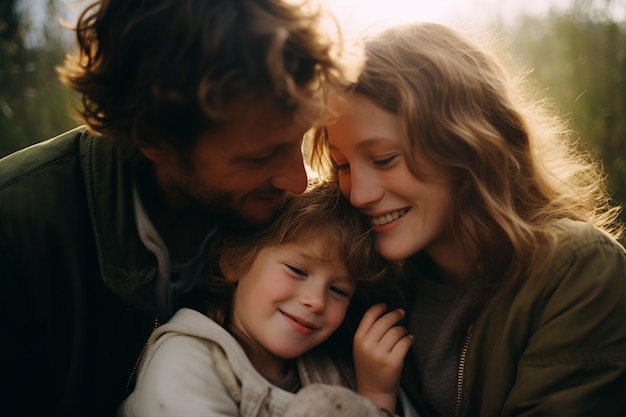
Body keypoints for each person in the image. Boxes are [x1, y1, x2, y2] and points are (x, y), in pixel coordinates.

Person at [0, 0, 354, 415]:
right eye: (259, 157)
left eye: (299, 142)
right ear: (155, 139)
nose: (297, 180)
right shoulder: (16, 236)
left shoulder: (288, 220)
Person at [311, 22, 626, 416]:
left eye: (385, 159)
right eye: (342, 165)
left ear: (465, 142)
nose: (359, 193)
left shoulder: (576, 270)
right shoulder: (363, 283)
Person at [119, 181, 417, 416]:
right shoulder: (185, 360)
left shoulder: (338, 371)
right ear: (234, 261)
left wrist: (376, 396)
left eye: (339, 290)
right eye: (297, 270)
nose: (316, 301)